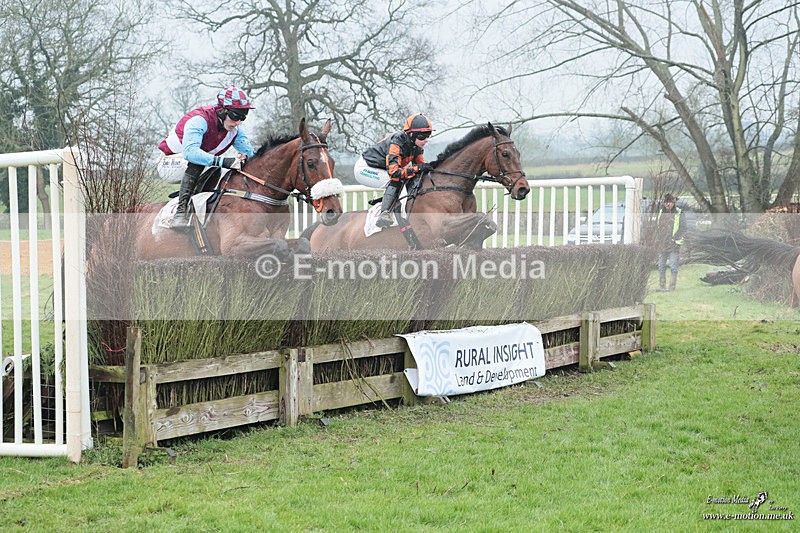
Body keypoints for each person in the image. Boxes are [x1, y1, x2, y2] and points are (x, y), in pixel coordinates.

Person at [158, 86, 256, 227]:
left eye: (243, 116)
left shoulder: (235, 131)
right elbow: (190, 153)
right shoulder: (199, 119)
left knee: (227, 171)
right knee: (199, 162)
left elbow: (253, 155)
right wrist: (224, 161)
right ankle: (181, 212)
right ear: (222, 110)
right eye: (235, 116)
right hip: (170, 163)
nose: (238, 122)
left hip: (195, 165)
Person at [355, 113, 433, 227]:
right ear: (411, 134)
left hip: (383, 169)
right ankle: (384, 214)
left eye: (428, 135)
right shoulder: (397, 141)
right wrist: (418, 168)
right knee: (396, 179)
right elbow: (395, 173)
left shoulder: (417, 146)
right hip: (365, 168)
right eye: (422, 136)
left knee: (412, 176)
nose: (426, 140)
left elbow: (422, 167)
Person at [655, 193, 687, 291]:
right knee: (661, 265)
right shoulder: (661, 212)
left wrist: (675, 237)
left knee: (673, 265)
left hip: (674, 244)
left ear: (673, 202)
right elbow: (658, 227)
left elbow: (683, 227)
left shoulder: (679, 212)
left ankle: (672, 287)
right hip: (662, 243)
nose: (667, 204)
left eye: (669, 202)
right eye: (666, 202)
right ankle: (662, 286)